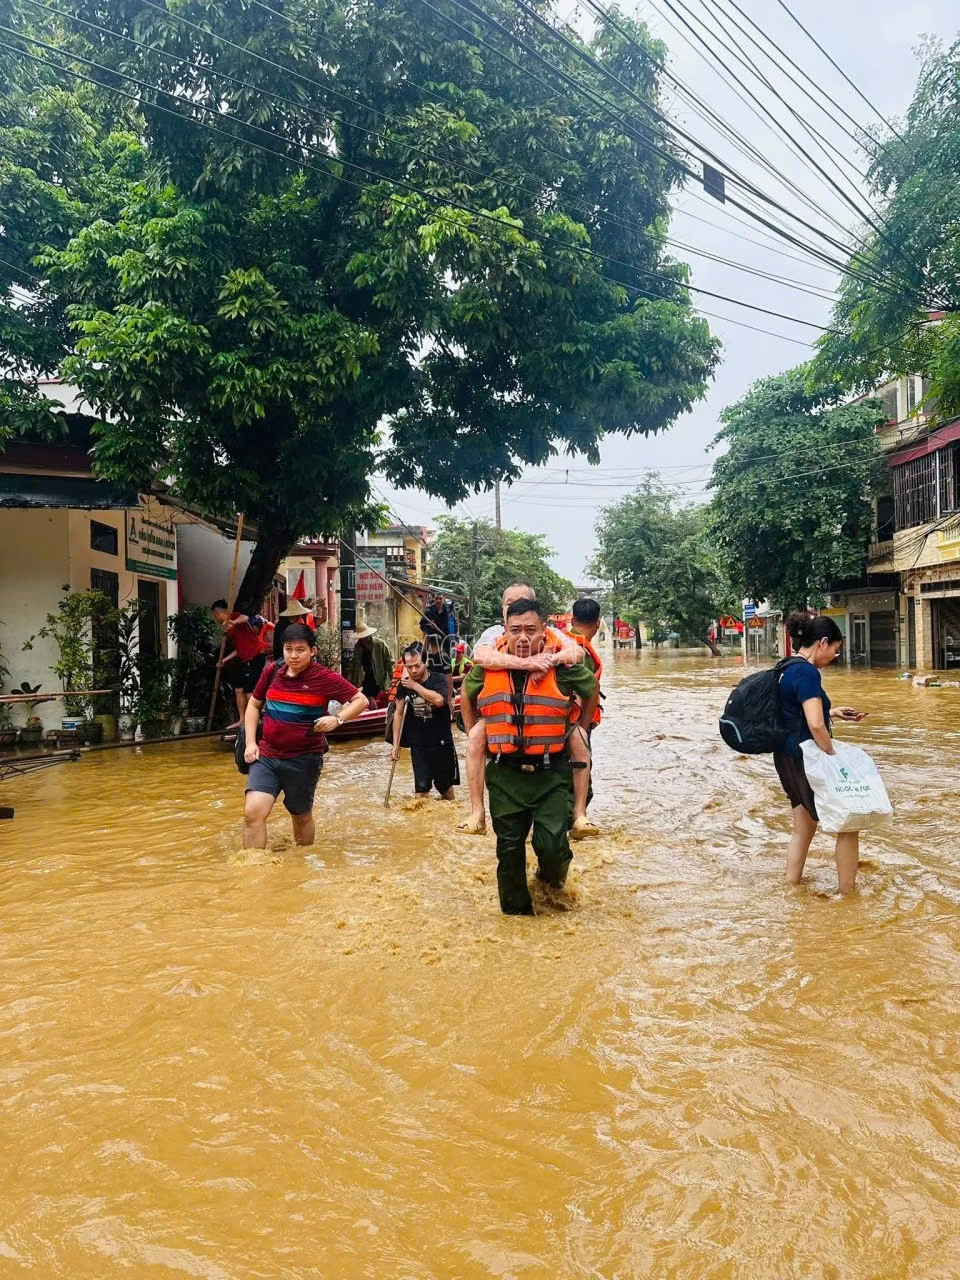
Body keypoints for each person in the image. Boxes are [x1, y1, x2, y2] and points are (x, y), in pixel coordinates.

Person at [461, 599, 599, 915]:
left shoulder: (562, 666)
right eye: (515, 631)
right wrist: (477, 733)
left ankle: (551, 882)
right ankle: (516, 924)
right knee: (508, 852)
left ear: (544, 631)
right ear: (505, 632)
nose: (523, 638)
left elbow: (590, 688)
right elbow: (466, 695)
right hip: (505, 775)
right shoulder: (488, 667)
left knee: (551, 846)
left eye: (530, 630)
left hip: (551, 774)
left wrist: (580, 727)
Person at [458, 582, 593, 837]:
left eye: (520, 602)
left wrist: (549, 660)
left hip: (551, 721)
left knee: (580, 738)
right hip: (504, 721)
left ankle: (579, 813)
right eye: (509, 603)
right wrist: (526, 664)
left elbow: (576, 653)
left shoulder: (550, 634)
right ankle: (476, 811)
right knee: (475, 736)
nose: (515, 607)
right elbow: (479, 659)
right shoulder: (493, 635)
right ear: (503, 612)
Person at [242, 623, 368, 848]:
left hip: (304, 759)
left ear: (313, 651)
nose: (293, 655)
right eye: (288, 649)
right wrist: (250, 743)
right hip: (267, 756)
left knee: (300, 815)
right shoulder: (272, 672)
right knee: (253, 813)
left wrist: (337, 719)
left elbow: (361, 700)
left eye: (300, 649)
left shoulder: (325, 677)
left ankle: (302, 863)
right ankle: (253, 871)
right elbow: (253, 705)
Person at [774, 612, 868, 894]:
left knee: (803, 826)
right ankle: (848, 896)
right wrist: (833, 756)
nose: (835, 656)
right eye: (835, 650)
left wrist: (833, 712)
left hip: (785, 757)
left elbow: (796, 712)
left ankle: (791, 886)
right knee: (850, 822)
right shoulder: (807, 672)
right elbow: (815, 724)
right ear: (823, 642)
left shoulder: (785, 667)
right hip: (808, 758)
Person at [391, 643, 460, 800]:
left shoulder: (438, 679)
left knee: (446, 790)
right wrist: (395, 746)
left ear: (426, 662)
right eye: (410, 667)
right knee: (421, 792)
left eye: (417, 665)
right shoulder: (403, 685)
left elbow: (439, 700)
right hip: (419, 743)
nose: (414, 670)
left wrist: (415, 686)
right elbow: (399, 713)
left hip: (441, 741)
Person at [566, 598, 605, 812]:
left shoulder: (557, 643)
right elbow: (585, 693)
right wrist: (583, 726)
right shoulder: (584, 653)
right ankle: (569, 827)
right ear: (598, 623)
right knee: (580, 784)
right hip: (574, 726)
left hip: (548, 723)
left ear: (572, 620)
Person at [212, 599, 274, 721]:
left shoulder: (234, 616)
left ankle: (255, 719)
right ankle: (243, 720)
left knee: (249, 690)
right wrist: (224, 660)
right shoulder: (228, 629)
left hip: (255, 656)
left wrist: (234, 621)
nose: (216, 618)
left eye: (215, 615)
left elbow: (245, 617)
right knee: (240, 689)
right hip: (246, 658)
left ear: (219, 613)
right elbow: (238, 649)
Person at [348, 623, 394, 708]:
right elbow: (354, 663)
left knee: (379, 699)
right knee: (368, 698)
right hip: (365, 677)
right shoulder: (358, 646)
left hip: (378, 677)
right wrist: (351, 678)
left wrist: (392, 680)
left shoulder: (380, 644)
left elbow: (389, 662)